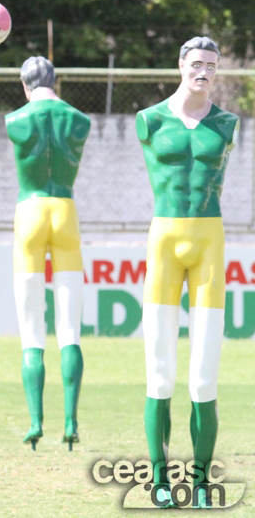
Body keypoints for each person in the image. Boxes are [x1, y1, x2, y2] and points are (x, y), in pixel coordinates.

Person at [136, 36, 238, 508]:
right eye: (196, 63)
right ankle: (159, 479)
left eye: (211, 66)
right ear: (180, 65)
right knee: (159, 375)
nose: (203, 71)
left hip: (210, 245)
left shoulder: (226, 123)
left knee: (203, 379)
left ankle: (199, 483)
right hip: (164, 242)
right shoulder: (149, 120)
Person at [5, 57, 91, 451]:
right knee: (70, 329)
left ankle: (36, 420)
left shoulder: (15, 120)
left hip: (30, 212)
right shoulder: (78, 120)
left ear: (25, 85)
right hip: (66, 212)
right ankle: (71, 419)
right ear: (57, 80)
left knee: (31, 330)